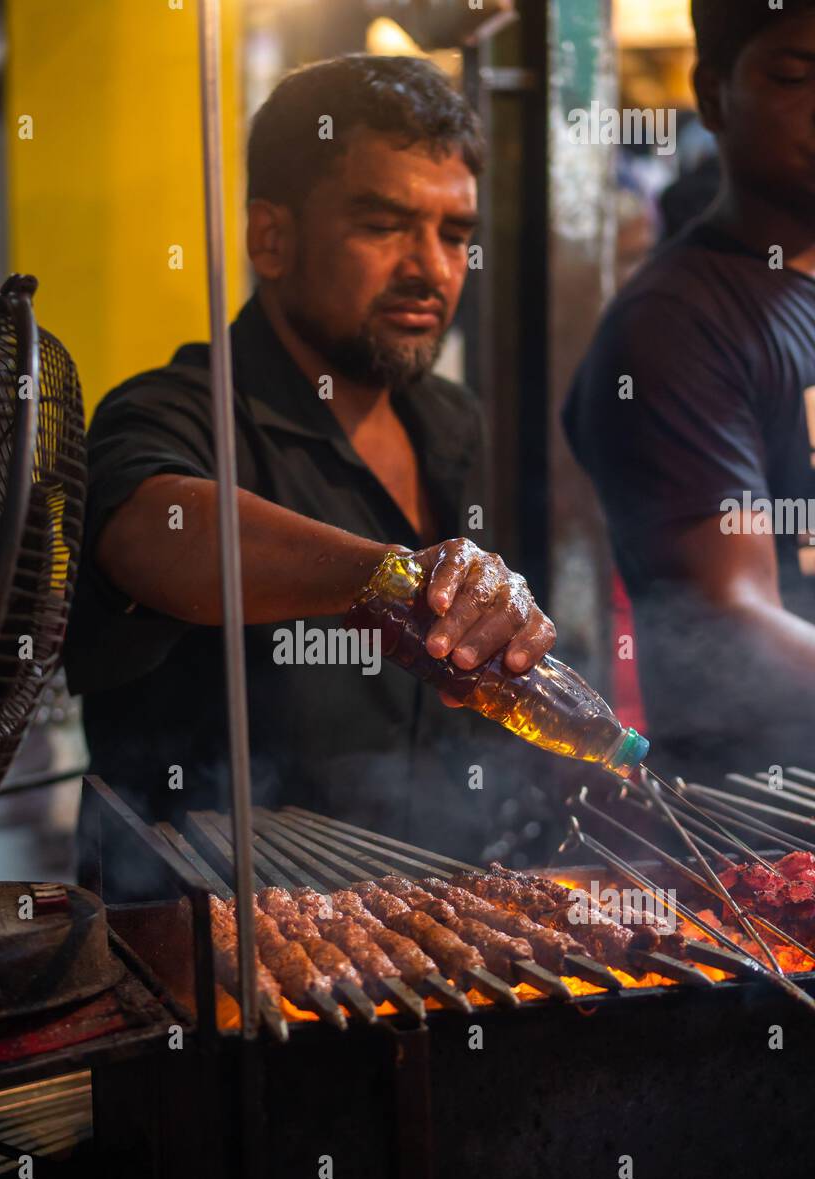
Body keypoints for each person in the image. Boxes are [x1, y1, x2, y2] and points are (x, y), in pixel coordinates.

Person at [64, 56, 555, 898]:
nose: (431, 269)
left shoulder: (450, 419)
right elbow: (154, 529)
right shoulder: (173, 408)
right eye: (383, 224)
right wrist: (388, 577)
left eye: (454, 234)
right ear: (271, 239)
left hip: (425, 924)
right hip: (210, 949)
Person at [563, 0, 815, 783]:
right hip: (765, 839)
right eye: (794, 75)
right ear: (713, 95)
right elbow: (730, 616)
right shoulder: (674, 324)